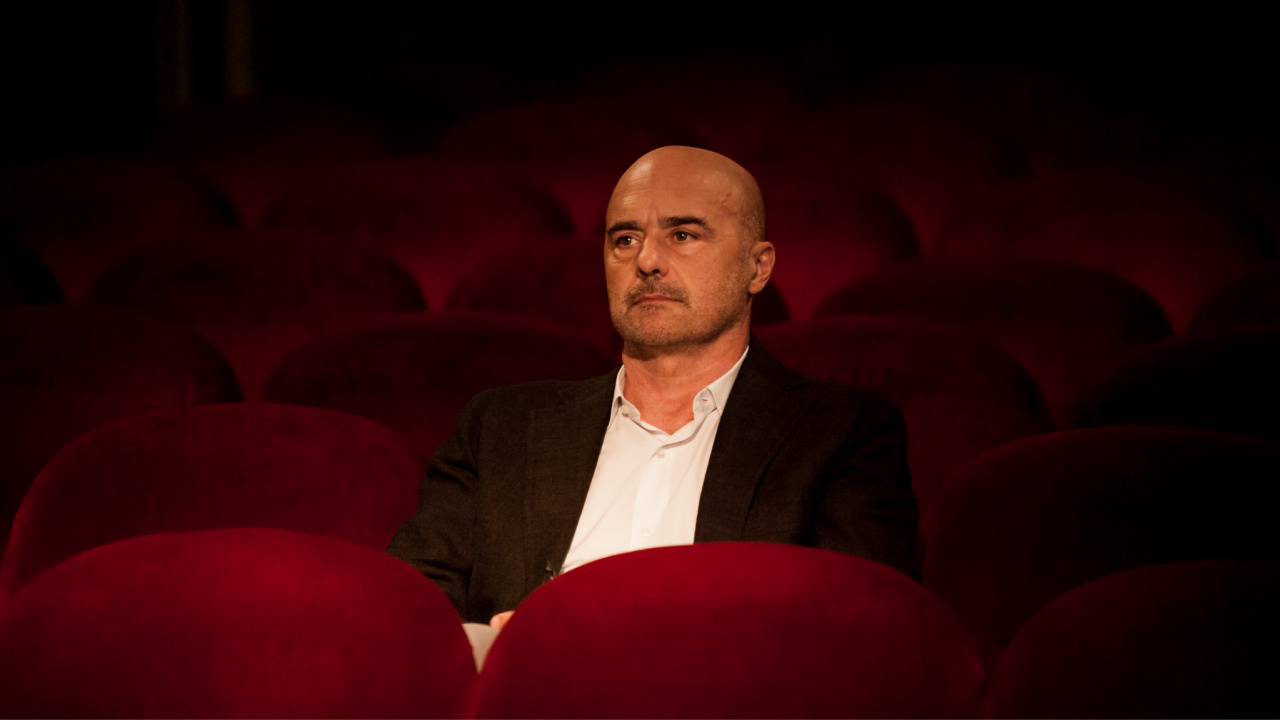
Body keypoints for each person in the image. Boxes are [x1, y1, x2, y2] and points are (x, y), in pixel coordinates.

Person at [388, 146, 918, 630]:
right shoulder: (500, 427)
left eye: (682, 235)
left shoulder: (841, 433)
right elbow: (408, 608)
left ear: (757, 268)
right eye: (625, 239)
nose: (646, 260)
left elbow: (856, 630)